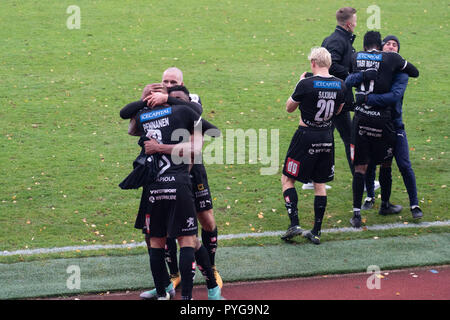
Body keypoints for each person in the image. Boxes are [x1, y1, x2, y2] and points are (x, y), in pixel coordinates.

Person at [121, 85, 223, 300]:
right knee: (160, 238)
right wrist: (145, 100)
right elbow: (131, 127)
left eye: (175, 93)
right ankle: (168, 289)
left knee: (193, 236)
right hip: (168, 182)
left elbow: (201, 143)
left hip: (191, 178)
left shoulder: (187, 113)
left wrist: (159, 146)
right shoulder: (161, 113)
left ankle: (210, 285)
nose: (167, 90)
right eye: (165, 84)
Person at [345, 31, 419, 228]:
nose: (392, 47)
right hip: (383, 121)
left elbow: (347, 82)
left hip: (361, 119)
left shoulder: (355, 57)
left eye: (396, 44)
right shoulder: (391, 59)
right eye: (389, 44)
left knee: (362, 166)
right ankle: (381, 201)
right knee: (385, 163)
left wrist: (364, 95)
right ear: (381, 45)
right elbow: (415, 71)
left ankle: (357, 213)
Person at [280, 47, 346, 244]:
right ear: (330, 64)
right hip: (326, 136)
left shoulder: (307, 84)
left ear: (313, 63)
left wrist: (299, 84)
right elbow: (339, 110)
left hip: (305, 136)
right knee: (320, 183)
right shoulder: (341, 85)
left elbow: (289, 108)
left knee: (287, 178)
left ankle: (294, 223)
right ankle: (316, 231)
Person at [321, 7, 357, 179]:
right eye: (355, 21)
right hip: (336, 99)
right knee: (350, 138)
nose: (356, 24)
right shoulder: (338, 41)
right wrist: (352, 76)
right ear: (349, 24)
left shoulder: (334, 39)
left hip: (328, 96)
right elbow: (331, 65)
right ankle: (363, 180)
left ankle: (313, 179)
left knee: (324, 137)